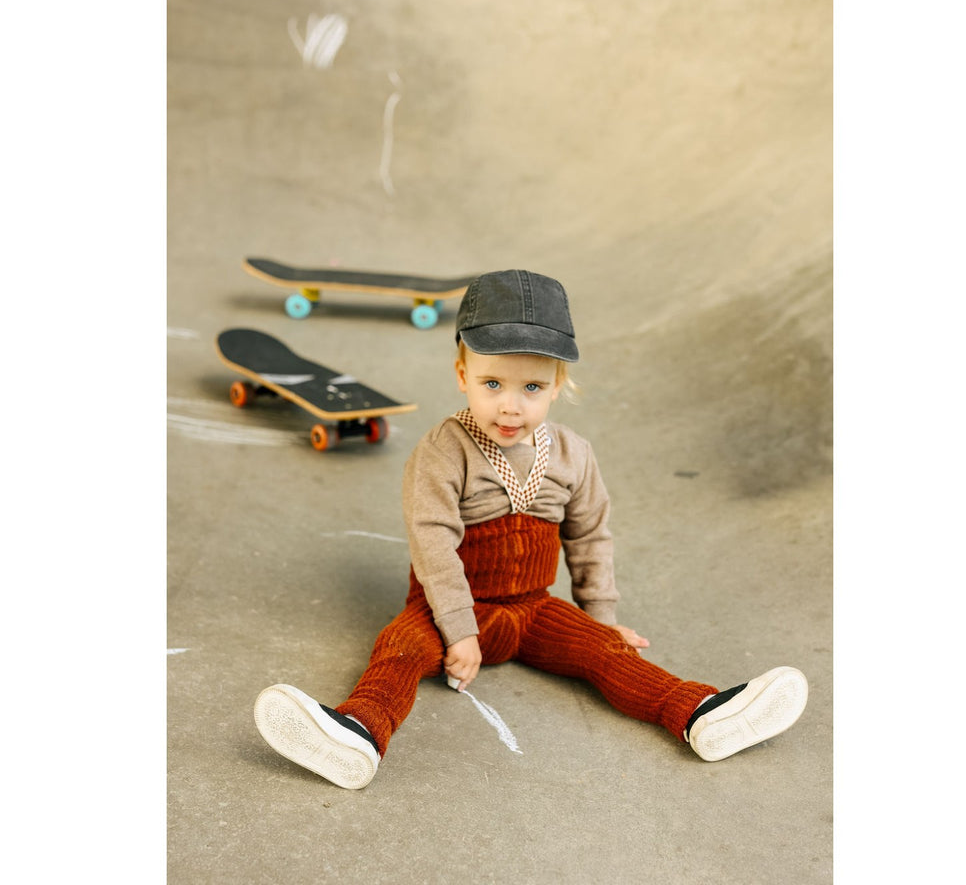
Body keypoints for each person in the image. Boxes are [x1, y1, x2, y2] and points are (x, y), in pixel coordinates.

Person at [253, 269, 808, 789]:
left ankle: (699, 714)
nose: (510, 407)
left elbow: (590, 536)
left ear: (558, 384)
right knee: (398, 647)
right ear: (462, 375)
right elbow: (433, 542)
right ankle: (358, 734)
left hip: (534, 610)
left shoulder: (572, 454)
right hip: (448, 609)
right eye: (492, 383)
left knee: (607, 653)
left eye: (532, 388)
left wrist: (600, 619)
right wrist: (459, 630)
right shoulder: (443, 451)